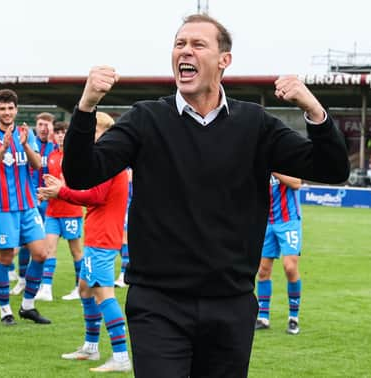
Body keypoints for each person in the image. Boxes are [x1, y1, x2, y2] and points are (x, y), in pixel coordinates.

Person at [62, 14, 349, 377]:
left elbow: (332, 169)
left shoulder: (255, 124)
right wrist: (86, 107)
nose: (186, 51)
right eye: (180, 44)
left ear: (223, 59)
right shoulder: (145, 119)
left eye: (198, 45)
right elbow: (81, 173)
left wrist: (314, 110)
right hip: (157, 303)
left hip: (230, 305)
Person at [40, 111, 131, 372]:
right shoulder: (104, 160)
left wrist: (62, 192)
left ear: (105, 133)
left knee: (104, 294)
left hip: (103, 237)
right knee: (84, 289)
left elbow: (95, 196)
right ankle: (91, 348)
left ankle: (121, 357)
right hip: (97, 234)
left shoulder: (110, 161)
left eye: (94, 132)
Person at [0, 89, 50, 326]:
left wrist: (25, 146)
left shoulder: (25, 134)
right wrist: (3, 148)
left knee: (41, 253)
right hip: (3, 208)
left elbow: (38, 164)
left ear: (16, 110)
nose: (7, 112)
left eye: (10, 108)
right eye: (2, 108)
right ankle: (5, 310)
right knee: (6, 258)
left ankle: (28, 305)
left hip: (28, 206)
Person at [34, 121, 84, 301]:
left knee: (76, 251)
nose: (61, 135)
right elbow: (49, 182)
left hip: (71, 210)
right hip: (53, 211)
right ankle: (46, 288)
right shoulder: (52, 155)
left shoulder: (75, 155)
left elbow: (79, 183)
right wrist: (44, 193)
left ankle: (79, 287)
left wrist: (63, 187)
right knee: (49, 249)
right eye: (58, 132)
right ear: (54, 135)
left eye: (64, 132)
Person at [11, 112, 57, 296]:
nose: (44, 128)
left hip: (50, 202)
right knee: (25, 242)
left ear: (52, 127)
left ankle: (43, 283)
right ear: (35, 126)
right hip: (31, 199)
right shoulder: (30, 143)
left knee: (45, 245)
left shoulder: (57, 148)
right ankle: (22, 280)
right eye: (40, 124)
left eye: (47, 124)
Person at [255, 173, 304, 335]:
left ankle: (293, 318)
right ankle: (263, 317)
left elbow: (297, 183)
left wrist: (274, 169)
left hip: (289, 221)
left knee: (290, 267)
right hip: (267, 222)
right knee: (263, 270)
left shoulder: (286, 160)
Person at [114, 167, 132, 288]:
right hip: (118, 201)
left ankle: (123, 274)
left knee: (124, 238)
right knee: (119, 239)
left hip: (128, 200)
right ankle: (129, 267)